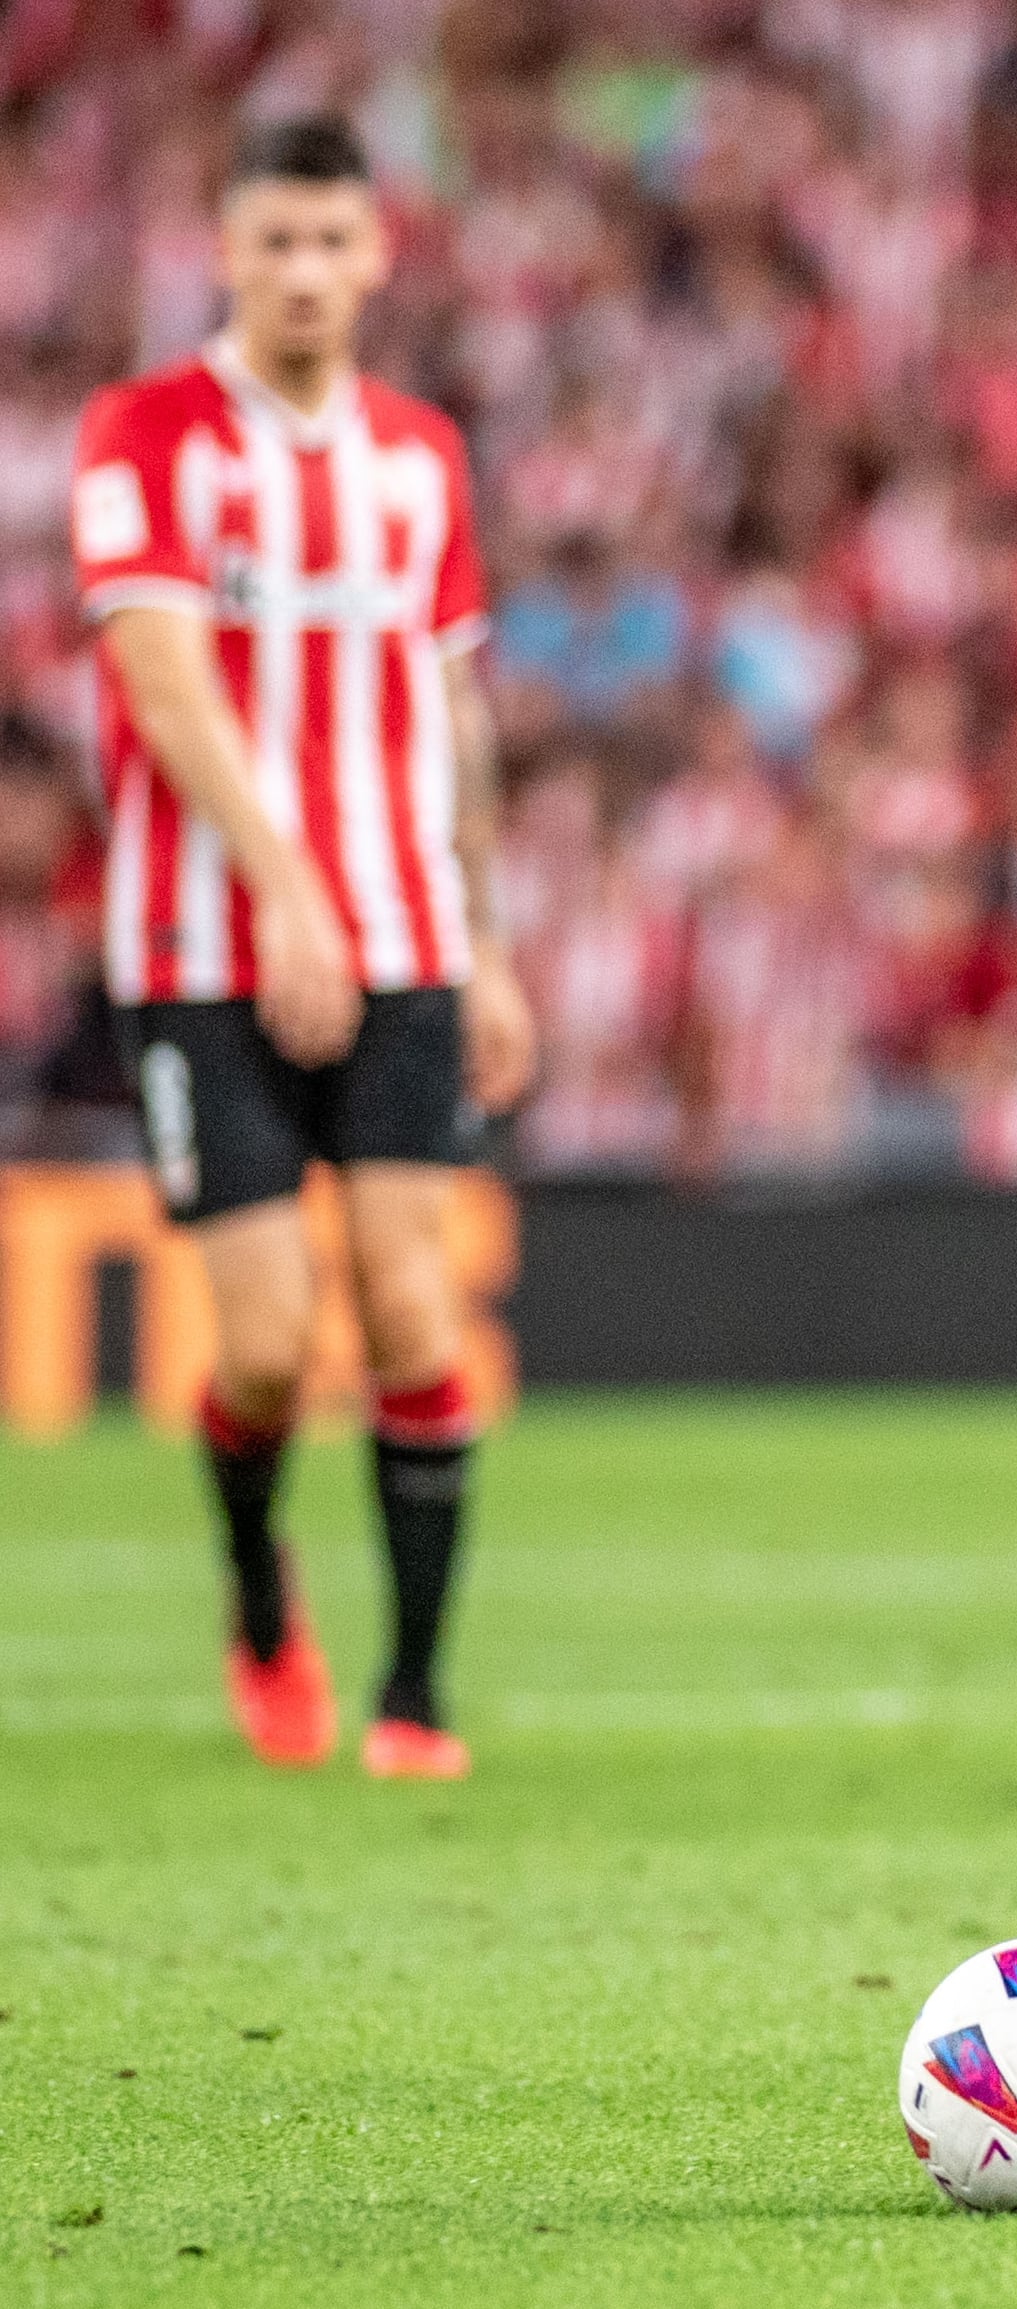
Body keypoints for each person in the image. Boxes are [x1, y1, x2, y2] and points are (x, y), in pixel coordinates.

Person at [72, 114, 535, 1781]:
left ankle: (413, 1691)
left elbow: (456, 711)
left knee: (413, 1315)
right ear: (223, 249)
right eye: (274, 240)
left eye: (333, 241)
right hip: (207, 947)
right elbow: (162, 676)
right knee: (264, 1343)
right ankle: (262, 1598)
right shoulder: (145, 433)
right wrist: (280, 888)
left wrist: (483, 939)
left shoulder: (420, 453)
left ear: (378, 255)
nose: (305, 271)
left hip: (406, 931)